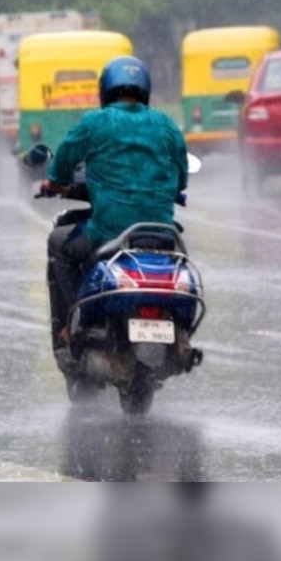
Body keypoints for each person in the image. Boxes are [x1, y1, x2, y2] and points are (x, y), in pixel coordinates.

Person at [40, 55, 189, 371]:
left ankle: (71, 321)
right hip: (161, 233)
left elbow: (63, 161)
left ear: (105, 90)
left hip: (107, 232)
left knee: (59, 245)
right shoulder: (166, 125)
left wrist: (55, 181)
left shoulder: (95, 122)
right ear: (145, 89)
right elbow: (182, 178)